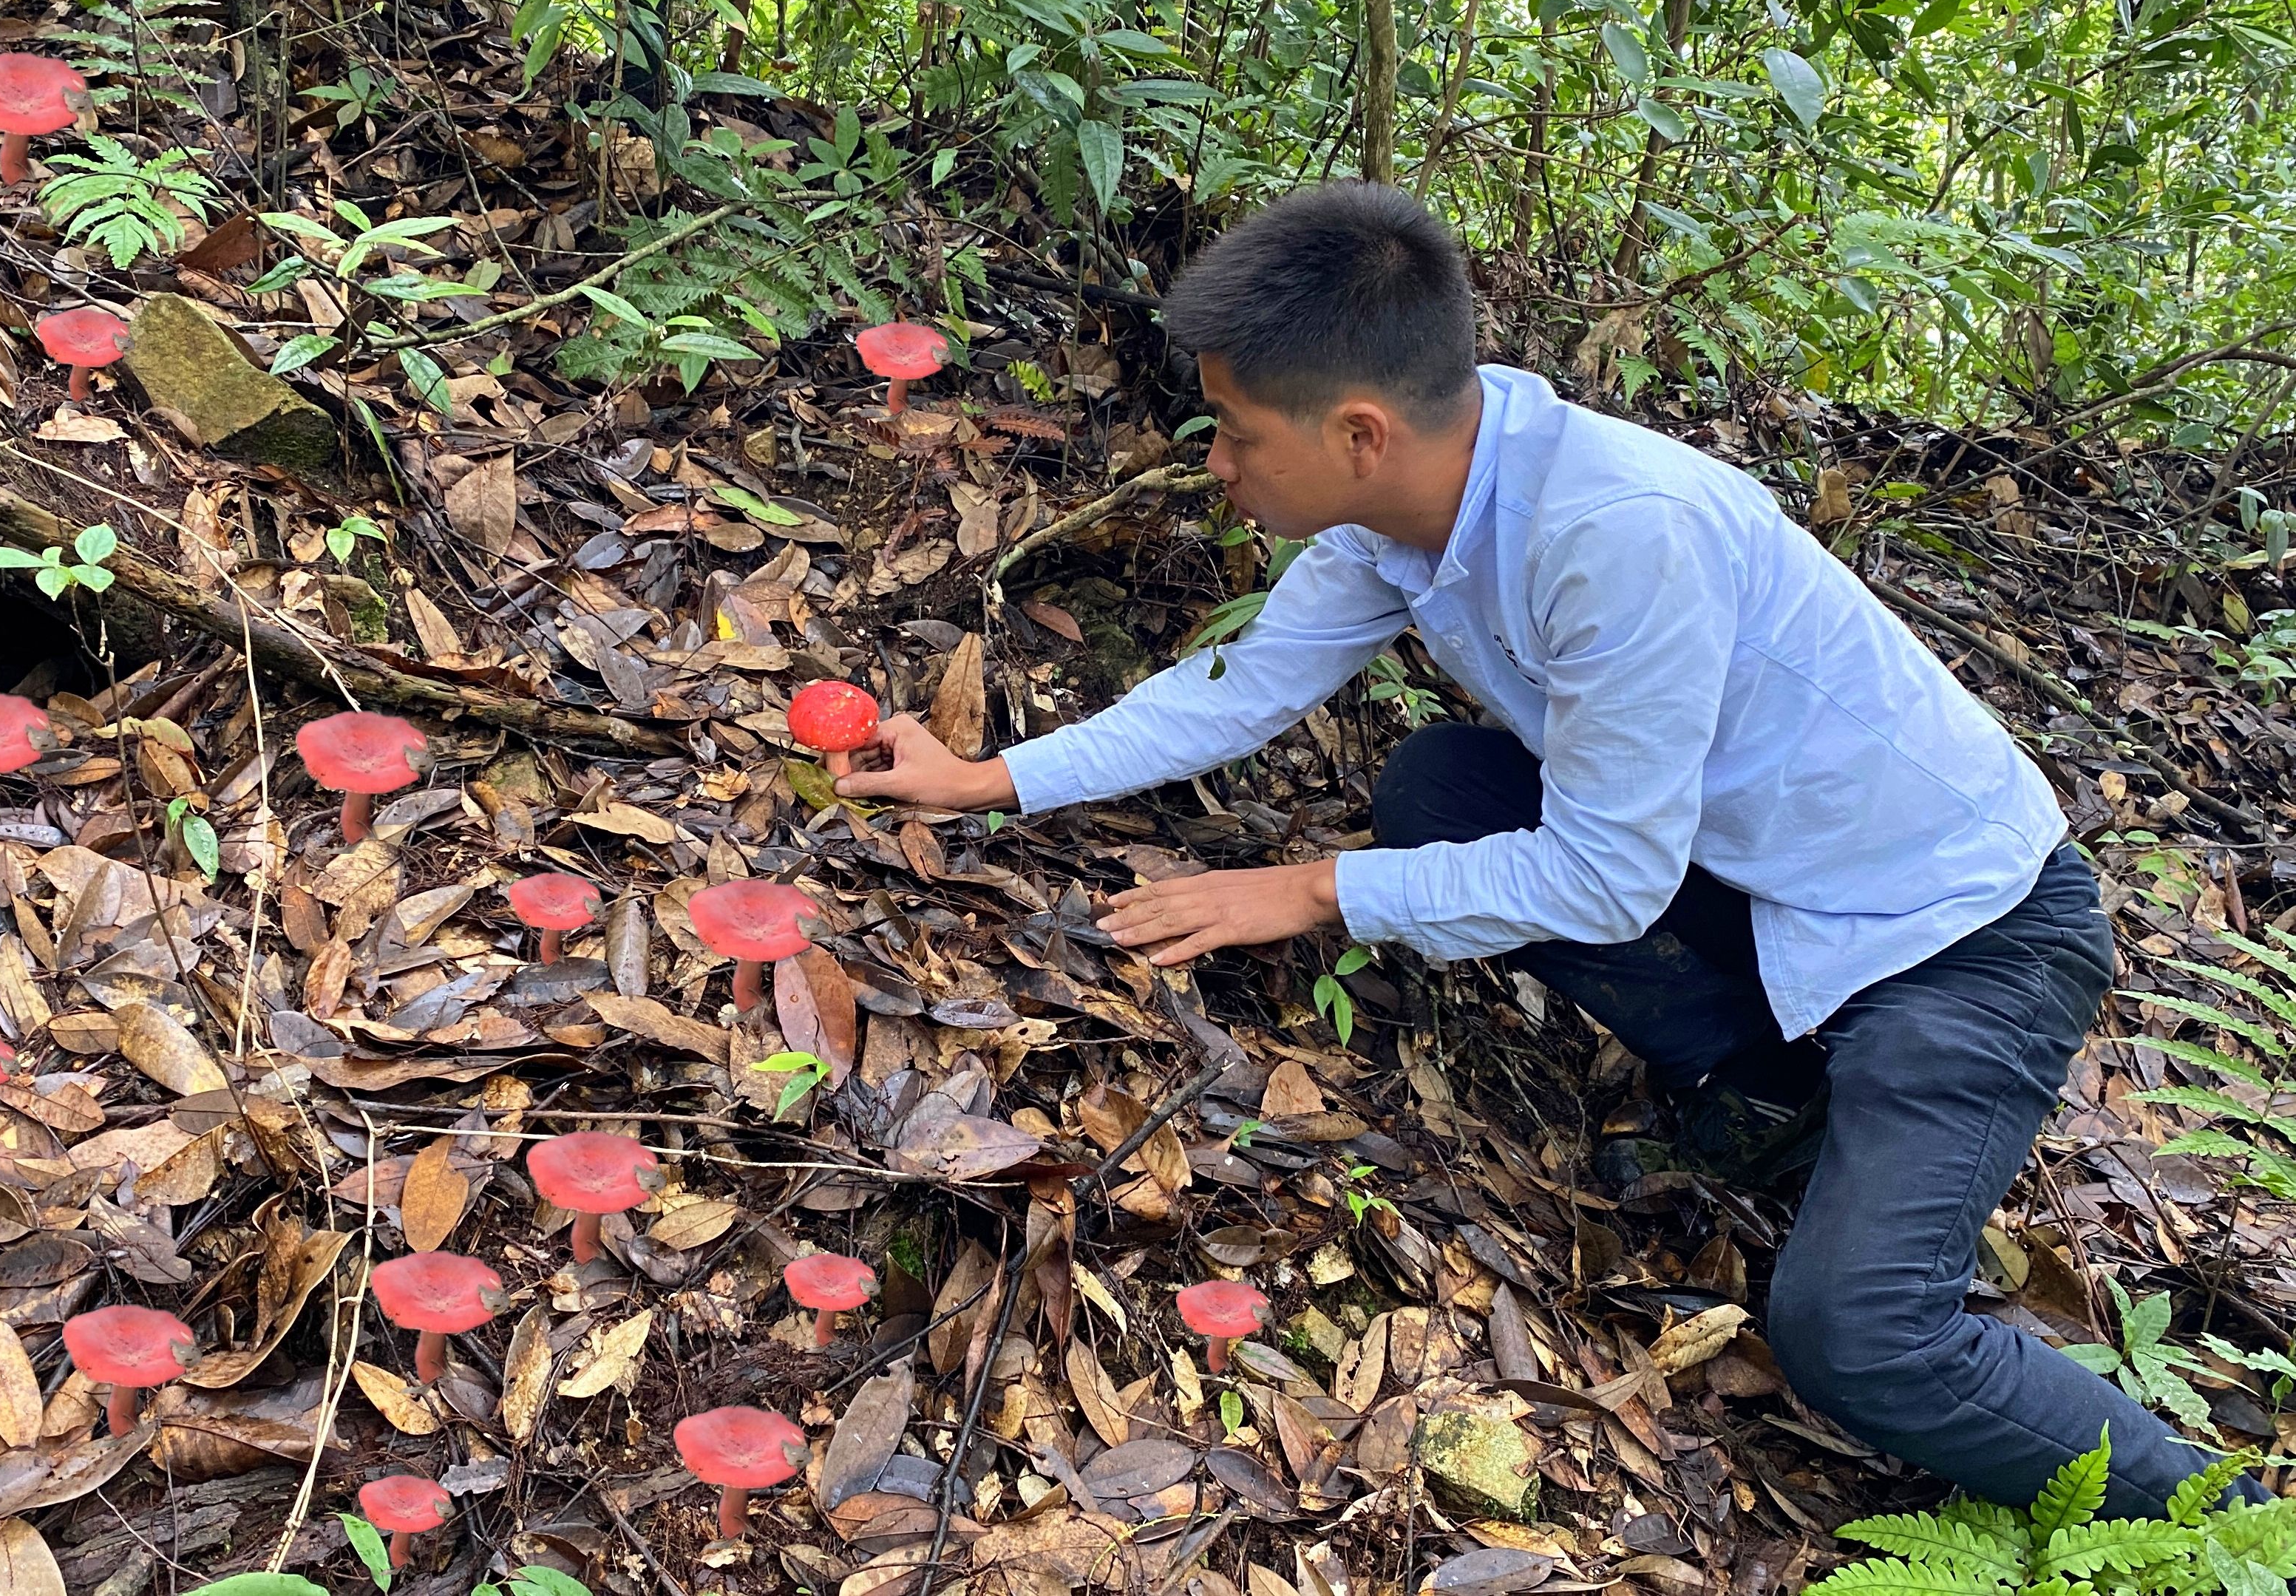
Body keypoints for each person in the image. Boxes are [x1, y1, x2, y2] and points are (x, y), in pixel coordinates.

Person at [833, 182, 2253, 1517]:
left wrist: (1314, 891)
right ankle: (1781, 1105)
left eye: (1236, 433)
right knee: (1446, 786)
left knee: (1857, 1335)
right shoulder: (1399, 519)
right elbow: (1242, 689)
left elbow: (1607, 880)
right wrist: (983, 783)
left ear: (1361, 432)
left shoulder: (1617, 534)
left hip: (1965, 939)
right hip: (1771, 893)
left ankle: (2231, 1523)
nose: (1217, 465)